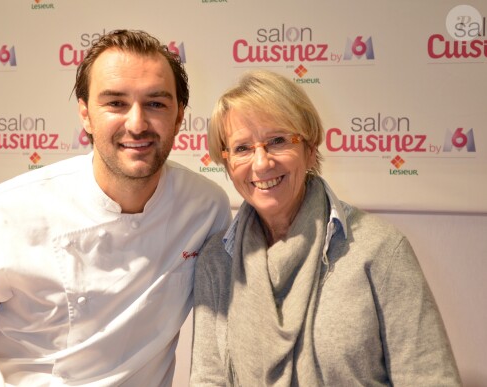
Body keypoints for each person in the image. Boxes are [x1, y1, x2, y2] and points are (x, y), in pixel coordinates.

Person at [0, 29, 231, 386]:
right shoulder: (6, 212)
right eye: (115, 103)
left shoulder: (206, 207)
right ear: (85, 114)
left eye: (156, 103)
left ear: (178, 117)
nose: (137, 123)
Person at [190, 70, 461, 386]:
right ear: (226, 162)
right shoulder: (217, 260)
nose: (261, 163)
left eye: (277, 141)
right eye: (243, 148)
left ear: (310, 147)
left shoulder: (381, 249)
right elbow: (208, 379)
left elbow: (427, 378)